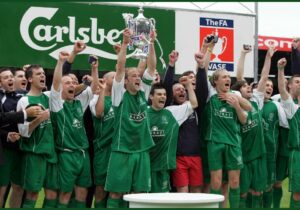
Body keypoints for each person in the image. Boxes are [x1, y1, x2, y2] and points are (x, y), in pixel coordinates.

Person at [104, 28, 156, 208]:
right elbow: (119, 68)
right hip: (122, 149)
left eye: (138, 75)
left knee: (139, 194)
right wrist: (125, 44)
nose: (138, 78)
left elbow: (152, 67)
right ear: (125, 81)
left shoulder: (143, 92)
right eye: (133, 75)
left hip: (141, 150)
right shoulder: (119, 94)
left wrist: (151, 43)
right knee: (116, 192)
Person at [232, 44, 281, 208]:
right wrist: (243, 55)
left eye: (248, 86)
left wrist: (268, 57)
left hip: (259, 155)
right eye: (245, 87)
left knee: (258, 192)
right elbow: (239, 80)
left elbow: (264, 77)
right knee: (243, 192)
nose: (248, 88)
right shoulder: (234, 102)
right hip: (243, 157)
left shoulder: (257, 102)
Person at [50, 51, 97, 208]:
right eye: (67, 82)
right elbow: (56, 85)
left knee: (82, 195)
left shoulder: (79, 103)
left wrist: (95, 69)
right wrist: (60, 62)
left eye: (73, 82)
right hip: (66, 154)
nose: (71, 84)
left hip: (83, 153)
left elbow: (94, 88)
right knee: (65, 194)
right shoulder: (56, 103)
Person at [203, 64, 252, 208]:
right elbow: (203, 70)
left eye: (229, 77)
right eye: (224, 77)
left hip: (233, 143)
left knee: (235, 182)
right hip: (215, 142)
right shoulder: (210, 94)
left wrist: (236, 103)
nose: (228, 79)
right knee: (216, 182)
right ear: (215, 81)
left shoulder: (235, 95)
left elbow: (247, 109)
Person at [17, 64, 58, 208]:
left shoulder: (48, 97)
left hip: (50, 153)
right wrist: (39, 119)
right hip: (34, 154)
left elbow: (59, 84)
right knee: (32, 194)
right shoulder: (24, 101)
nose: (43, 76)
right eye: (38, 74)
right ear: (29, 79)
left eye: (43, 73)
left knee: (52, 194)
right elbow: (23, 132)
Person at [89, 71, 115, 208]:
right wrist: (103, 91)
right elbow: (99, 113)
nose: (117, 78)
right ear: (104, 80)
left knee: (117, 189)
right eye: (113, 76)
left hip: (118, 150)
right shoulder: (95, 99)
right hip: (102, 149)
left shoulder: (120, 98)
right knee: (100, 189)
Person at [277, 57, 300, 208]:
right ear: (290, 85)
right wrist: (280, 70)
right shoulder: (293, 108)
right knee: (298, 193)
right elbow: (282, 91)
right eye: (297, 82)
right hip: (297, 154)